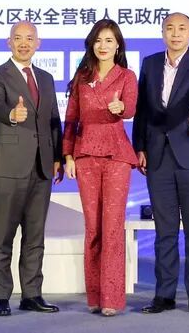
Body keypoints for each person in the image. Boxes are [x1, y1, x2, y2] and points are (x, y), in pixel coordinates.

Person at [132, 12, 189, 314]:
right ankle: (164, 295)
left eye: (182, 28)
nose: (176, 33)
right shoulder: (151, 63)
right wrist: (139, 146)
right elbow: (142, 109)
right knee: (164, 230)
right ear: (163, 33)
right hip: (158, 156)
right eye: (170, 28)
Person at [0, 21, 64, 316]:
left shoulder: (46, 78)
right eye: (18, 38)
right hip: (9, 166)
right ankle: (1, 297)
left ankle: (32, 294)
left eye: (29, 38)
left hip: (42, 168)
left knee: (35, 237)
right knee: (3, 236)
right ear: (9, 42)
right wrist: (11, 114)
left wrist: (58, 156)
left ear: (38, 43)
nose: (24, 43)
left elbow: (53, 119)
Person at [63, 19, 138, 317]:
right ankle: (94, 295)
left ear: (118, 45)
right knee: (93, 227)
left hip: (117, 155)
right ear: (91, 44)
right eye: (98, 40)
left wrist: (121, 108)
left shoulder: (127, 76)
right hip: (85, 155)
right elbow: (71, 118)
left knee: (112, 226)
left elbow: (131, 107)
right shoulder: (81, 77)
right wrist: (68, 155)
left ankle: (112, 298)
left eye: (109, 40)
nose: (103, 46)